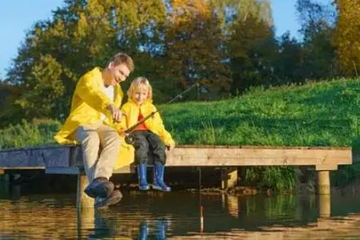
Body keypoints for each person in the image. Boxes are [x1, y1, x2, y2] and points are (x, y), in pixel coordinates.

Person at [54, 52, 134, 209]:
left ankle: (101, 180)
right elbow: (93, 95)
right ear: (111, 65)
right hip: (81, 123)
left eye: (126, 75)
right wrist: (110, 106)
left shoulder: (118, 91)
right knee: (92, 138)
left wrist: (121, 128)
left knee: (114, 138)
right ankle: (98, 188)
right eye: (121, 72)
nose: (123, 78)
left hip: (102, 125)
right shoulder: (89, 79)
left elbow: (112, 119)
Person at [118, 77, 175, 192]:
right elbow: (120, 122)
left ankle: (158, 180)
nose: (140, 97)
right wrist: (122, 130)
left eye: (144, 94)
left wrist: (168, 139)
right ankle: (142, 179)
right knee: (142, 145)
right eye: (137, 93)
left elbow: (159, 125)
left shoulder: (151, 108)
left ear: (148, 94)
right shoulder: (126, 107)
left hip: (150, 132)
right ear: (131, 92)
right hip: (135, 133)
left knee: (159, 145)